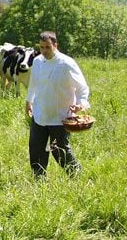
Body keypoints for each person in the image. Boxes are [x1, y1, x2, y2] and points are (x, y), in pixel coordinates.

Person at [25, 31, 90, 178]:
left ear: (55, 45)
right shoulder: (37, 61)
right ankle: (39, 179)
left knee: (59, 150)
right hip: (40, 114)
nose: (44, 51)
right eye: (41, 47)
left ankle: (76, 174)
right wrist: (28, 101)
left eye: (48, 47)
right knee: (36, 149)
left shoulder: (66, 63)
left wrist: (81, 104)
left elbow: (82, 88)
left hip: (60, 117)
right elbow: (33, 84)